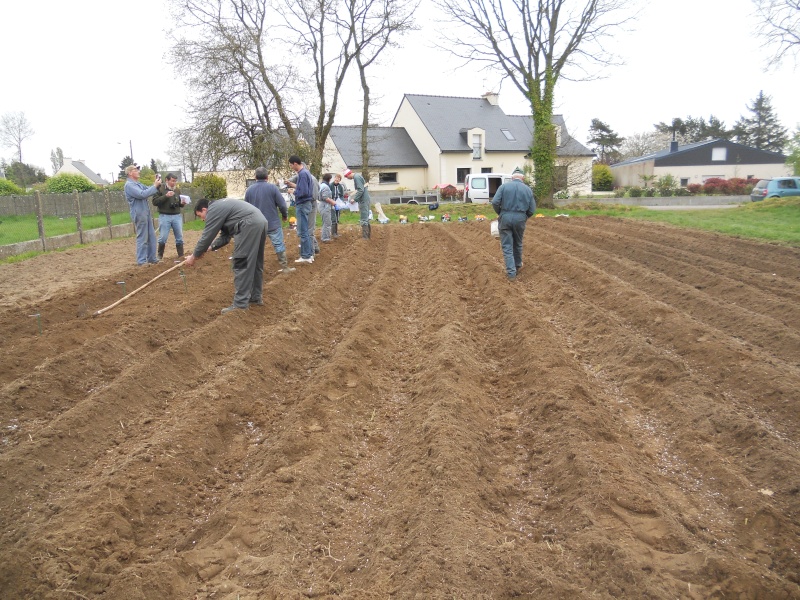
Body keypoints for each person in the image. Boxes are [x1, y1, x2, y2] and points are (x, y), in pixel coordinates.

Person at [184, 198, 269, 313]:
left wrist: (194, 256)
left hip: (248, 225)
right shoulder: (223, 208)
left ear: (204, 209)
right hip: (260, 221)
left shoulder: (213, 210)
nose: (203, 219)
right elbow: (225, 237)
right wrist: (210, 247)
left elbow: (207, 236)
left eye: (201, 216)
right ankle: (255, 297)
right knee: (256, 263)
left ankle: (240, 304)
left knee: (240, 264)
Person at [244, 166, 295, 274]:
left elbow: (245, 209)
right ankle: (285, 267)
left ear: (255, 177)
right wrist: (285, 216)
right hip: (272, 223)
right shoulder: (273, 188)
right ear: (267, 177)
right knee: (278, 244)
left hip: (256, 224)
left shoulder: (249, 190)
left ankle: (255, 270)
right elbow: (282, 205)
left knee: (256, 247)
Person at [491, 167, 536, 281]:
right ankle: (517, 265)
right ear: (523, 178)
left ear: (512, 177)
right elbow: (532, 209)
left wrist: (500, 213)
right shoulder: (528, 190)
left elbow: (495, 202)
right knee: (518, 243)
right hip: (520, 218)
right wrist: (525, 216)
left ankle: (511, 273)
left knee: (507, 246)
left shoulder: (504, 187)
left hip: (505, 216)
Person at [124, 164, 161, 265]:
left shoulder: (137, 184)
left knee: (152, 236)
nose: (138, 171)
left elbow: (148, 190)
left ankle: (152, 258)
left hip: (145, 213)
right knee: (143, 237)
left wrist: (155, 184)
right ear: (130, 173)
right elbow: (142, 194)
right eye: (136, 170)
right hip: (139, 214)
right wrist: (154, 186)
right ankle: (141, 261)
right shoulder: (129, 185)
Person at [152, 172, 188, 260]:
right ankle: (160, 256)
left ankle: (181, 255)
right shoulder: (160, 189)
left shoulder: (177, 190)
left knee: (179, 237)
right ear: (167, 180)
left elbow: (179, 204)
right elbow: (155, 202)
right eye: (172, 181)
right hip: (165, 216)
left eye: (175, 181)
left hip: (176, 216)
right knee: (163, 237)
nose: (174, 183)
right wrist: (166, 196)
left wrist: (182, 203)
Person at [288, 156, 315, 263]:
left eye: (290, 165)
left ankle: (305, 256)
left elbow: (303, 192)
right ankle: (309, 254)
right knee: (306, 231)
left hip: (302, 204)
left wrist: (293, 192)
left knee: (303, 231)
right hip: (307, 204)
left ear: (295, 164)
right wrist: (294, 186)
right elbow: (304, 188)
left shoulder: (302, 174)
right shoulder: (306, 172)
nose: (290, 167)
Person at [344, 168, 371, 239]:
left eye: (347, 177)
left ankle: (365, 237)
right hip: (365, 199)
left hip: (363, 200)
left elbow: (360, 190)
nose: (347, 178)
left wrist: (354, 199)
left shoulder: (356, 178)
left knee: (364, 218)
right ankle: (368, 236)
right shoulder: (358, 176)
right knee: (366, 218)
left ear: (348, 174)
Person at [318, 174, 335, 242]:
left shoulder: (321, 185)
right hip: (325, 206)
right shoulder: (326, 187)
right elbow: (325, 197)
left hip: (322, 205)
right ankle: (326, 238)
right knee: (327, 223)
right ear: (329, 179)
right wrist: (332, 202)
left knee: (325, 222)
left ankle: (324, 236)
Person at [329, 173, 346, 238]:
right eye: (336, 178)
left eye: (338, 178)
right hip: (332, 203)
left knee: (337, 218)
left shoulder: (340, 187)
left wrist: (341, 202)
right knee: (333, 218)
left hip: (338, 204)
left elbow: (341, 195)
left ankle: (336, 232)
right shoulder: (330, 185)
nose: (337, 179)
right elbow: (329, 195)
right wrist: (332, 202)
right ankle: (333, 233)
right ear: (334, 178)